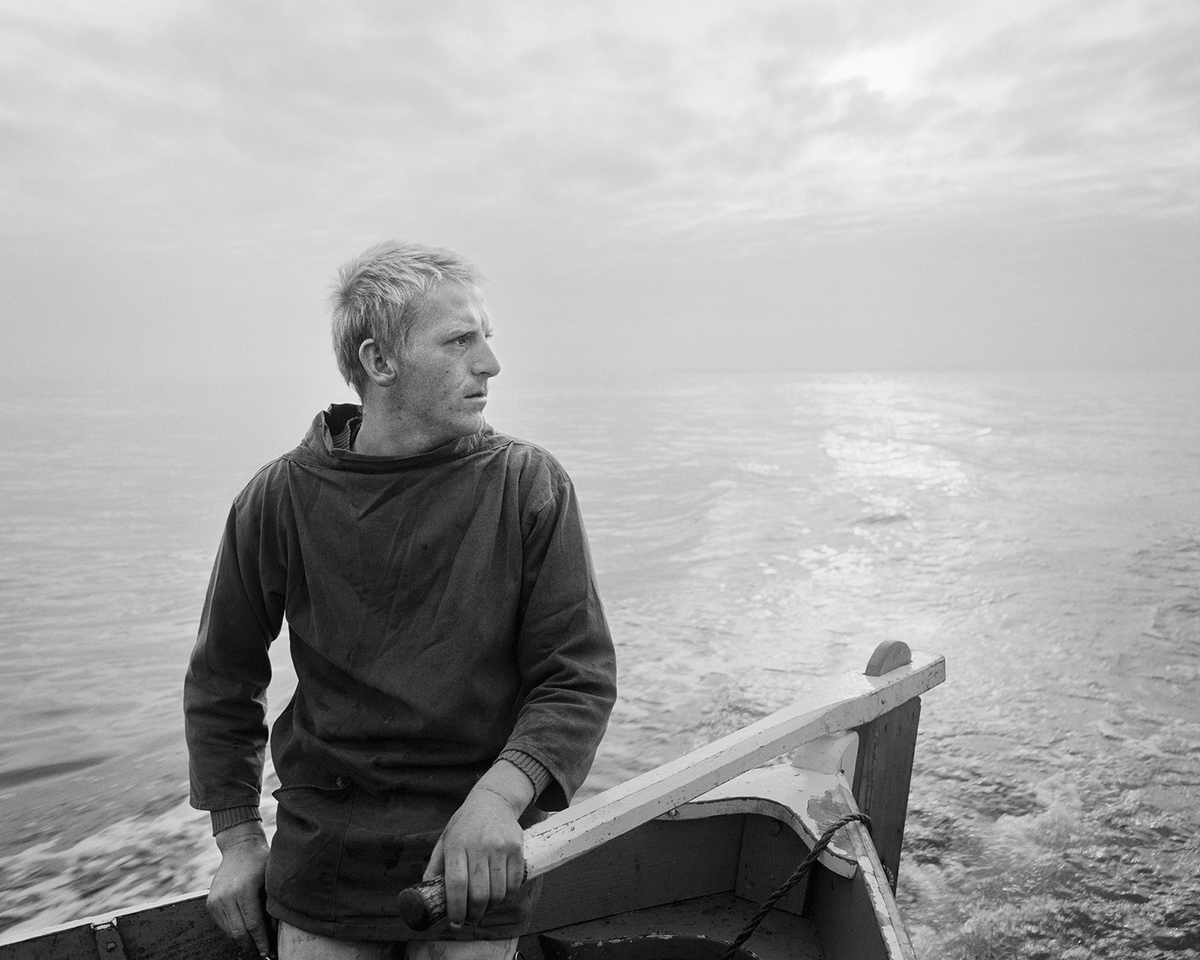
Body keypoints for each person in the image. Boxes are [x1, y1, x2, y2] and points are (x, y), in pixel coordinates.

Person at [184, 241, 618, 960]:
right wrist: (236, 839)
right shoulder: (280, 498)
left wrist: (501, 798)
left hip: (476, 840)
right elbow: (222, 676)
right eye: (459, 341)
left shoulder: (528, 485)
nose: (489, 363)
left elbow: (577, 676)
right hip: (327, 848)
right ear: (380, 363)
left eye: (486, 338)